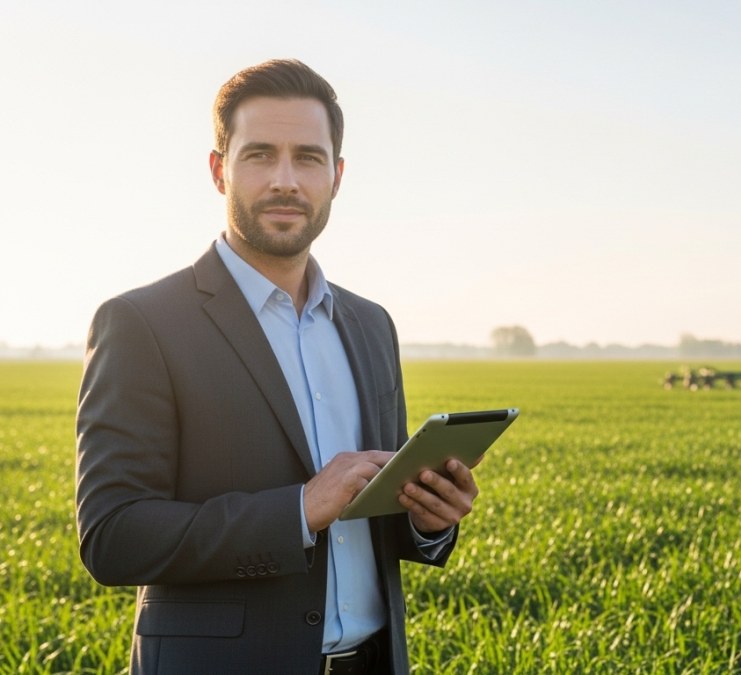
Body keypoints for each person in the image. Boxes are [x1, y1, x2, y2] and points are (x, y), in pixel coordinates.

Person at [75, 59, 479, 674]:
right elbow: (113, 536)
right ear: (219, 169)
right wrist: (297, 510)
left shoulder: (372, 325)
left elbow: (383, 514)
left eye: (309, 158)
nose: (286, 180)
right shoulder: (142, 323)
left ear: (337, 176)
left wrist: (428, 520)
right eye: (260, 154)